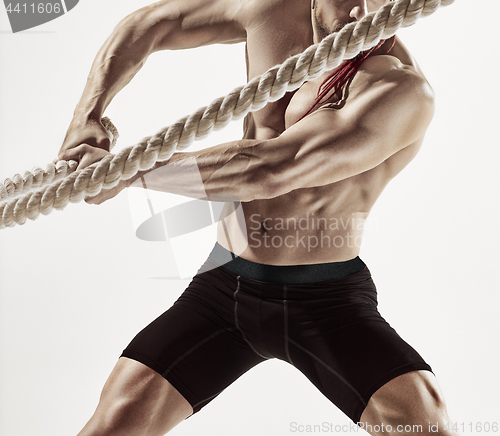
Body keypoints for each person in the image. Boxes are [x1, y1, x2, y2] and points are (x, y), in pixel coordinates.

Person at [56, 0, 459, 435]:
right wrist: (87, 116)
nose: (363, 11)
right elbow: (154, 22)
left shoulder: (400, 89)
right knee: (111, 426)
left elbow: (273, 169)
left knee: (426, 427)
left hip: (326, 301)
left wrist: (123, 173)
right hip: (223, 288)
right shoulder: (270, 11)